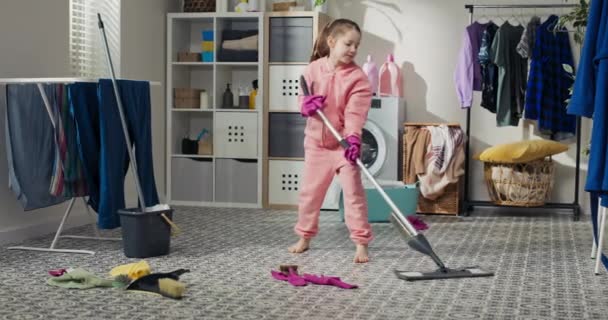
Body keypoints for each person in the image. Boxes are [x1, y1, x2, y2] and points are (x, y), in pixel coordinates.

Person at [288, 19, 373, 263]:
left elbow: (355, 113)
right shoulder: (312, 70)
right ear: (332, 42)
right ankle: (304, 238)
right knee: (310, 194)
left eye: (357, 45)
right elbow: (302, 97)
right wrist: (306, 106)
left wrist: (353, 140)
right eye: (348, 43)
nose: (353, 50)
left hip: (343, 146)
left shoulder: (358, 79)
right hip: (316, 144)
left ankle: (361, 243)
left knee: (353, 193)